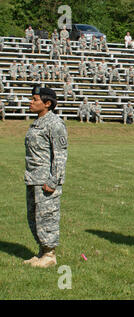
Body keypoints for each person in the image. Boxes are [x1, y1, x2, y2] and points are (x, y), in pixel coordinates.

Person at [24, 86, 68, 268]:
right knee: (34, 217)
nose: (31, 102)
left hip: (46, 181)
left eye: (35, 99)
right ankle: (42, 252)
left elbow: (60, 155)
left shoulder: (55, 124)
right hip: (33, 178)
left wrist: (53, 181)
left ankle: (50, 255)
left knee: (47, 218)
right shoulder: (37, 122)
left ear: (47, 103)